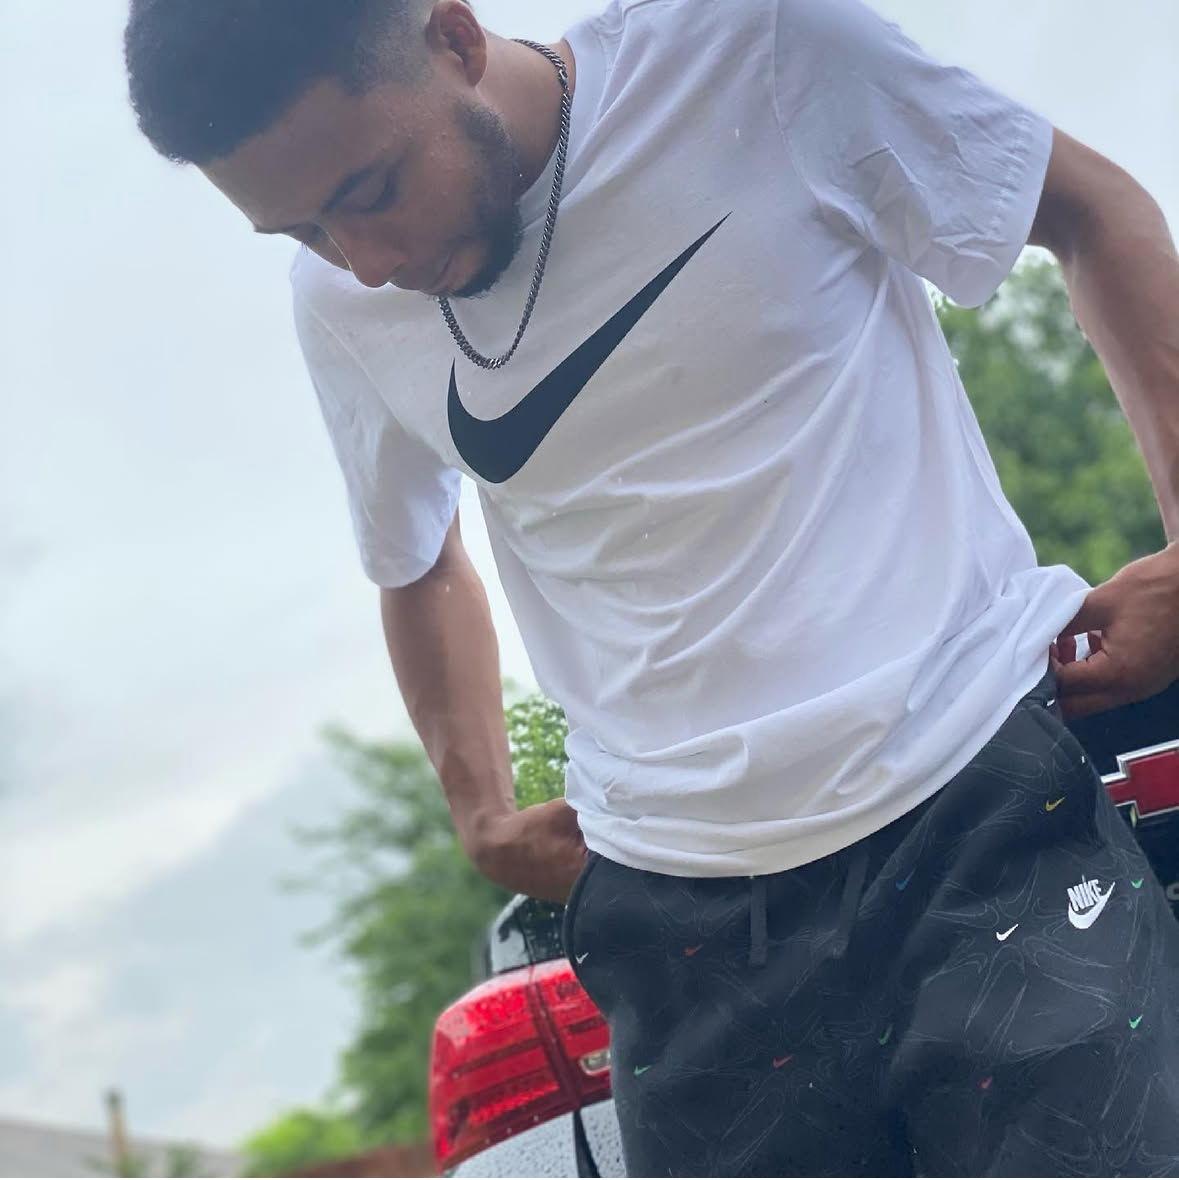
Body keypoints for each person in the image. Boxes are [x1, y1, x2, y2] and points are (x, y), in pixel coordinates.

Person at [123, 0, 1179, 1172]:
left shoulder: (758, 52)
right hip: (683, 933)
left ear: (453, 41)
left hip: (978, 808)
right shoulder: (342, 307)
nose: (364, 261)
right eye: (304, 231)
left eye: (372, 190)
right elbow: (414, 561)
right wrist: (478, 808)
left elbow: (1089, 211)